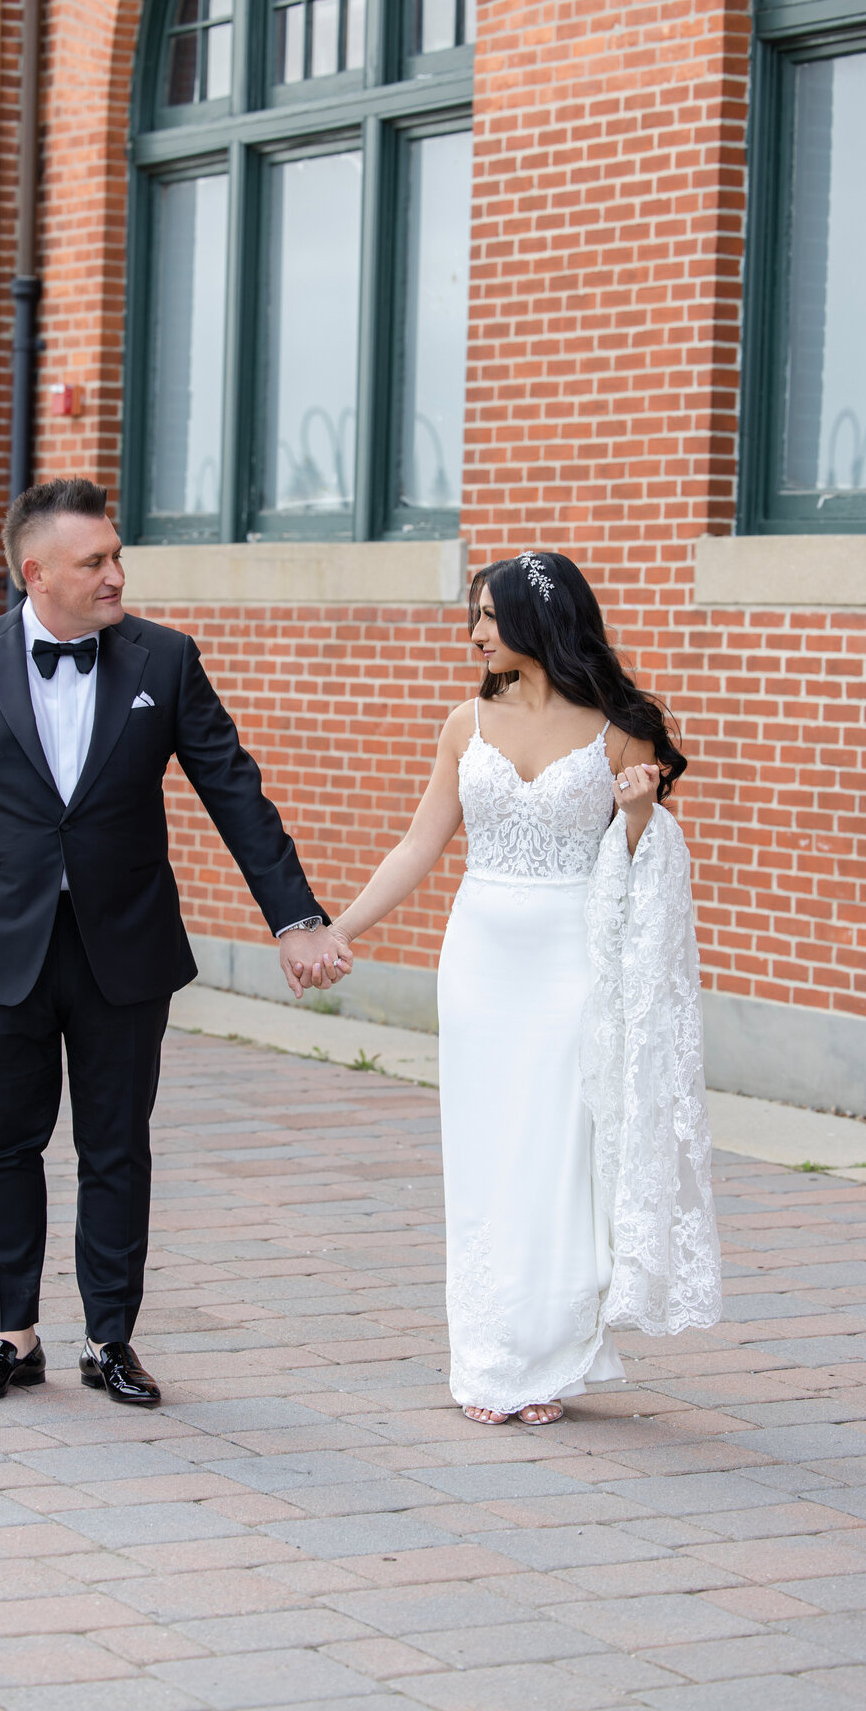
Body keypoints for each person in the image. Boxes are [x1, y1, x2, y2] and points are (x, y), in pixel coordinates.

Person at [0, 477, 351, 1406]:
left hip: (127, 947)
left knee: (117, 1145)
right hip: (3, 951)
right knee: (4, 1144)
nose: (117, 573)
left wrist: (296, 918)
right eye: (96, 561)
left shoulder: (165, 659)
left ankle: (110, 1338)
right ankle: (13, 1337)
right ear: (37, 573)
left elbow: (233, 788)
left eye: (118, 555)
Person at [312, 552, 721, 1425]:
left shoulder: (621, 727)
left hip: (573, 963)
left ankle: (545, 1358)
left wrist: (644, 810)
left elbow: (643, 864)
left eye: (490, 617)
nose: (476, 633)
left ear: (540, 621)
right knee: (486, 1154)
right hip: (481, 962)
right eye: (476, 616)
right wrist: (339, 927)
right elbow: (419, 846)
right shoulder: (466, 724)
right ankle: (490, 1357)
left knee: (554, 1157)